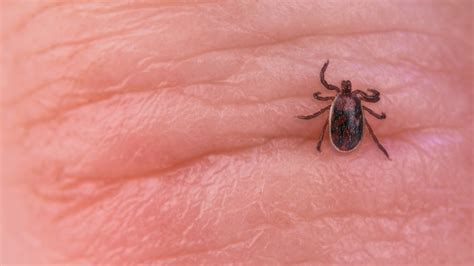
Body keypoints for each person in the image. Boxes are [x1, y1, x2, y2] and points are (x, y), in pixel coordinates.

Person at [1, 1, 472, 264]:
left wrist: (326, 117)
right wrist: (356, 107)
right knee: (366, 135)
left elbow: (322, 110)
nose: (344, 98)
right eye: (343, 95)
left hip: (333, 131)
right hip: (349, 133)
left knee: (338, 132)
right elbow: (373, 117)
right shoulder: (353, 108)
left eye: (343, 95)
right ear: (345, 101)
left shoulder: (331, 104)